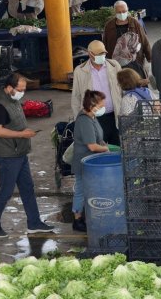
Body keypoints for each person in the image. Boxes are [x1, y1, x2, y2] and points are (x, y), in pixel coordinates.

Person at [0, 74, 55, 238]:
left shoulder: (12, 99)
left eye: (24, 89)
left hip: (20, 152)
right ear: (9, 88)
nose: (22, 93)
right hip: (9, 155)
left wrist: (24, 135)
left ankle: (34, 223)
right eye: (20, 89)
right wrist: (21, 134)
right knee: (6, 191)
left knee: (27, 188)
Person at [71, 90, 110, 232]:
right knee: (81, 190)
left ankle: (87, 216)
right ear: (93, 105)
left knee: (90, 190)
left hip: (92, 163)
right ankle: (77, 219)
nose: (103, 106)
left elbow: (98, 139)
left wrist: (105, 145)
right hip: (83, 163)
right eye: (101, 104)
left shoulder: (92, 117)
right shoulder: (84, 120)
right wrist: (105, 150)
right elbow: (92, 146)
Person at [72, 40, 123, 145]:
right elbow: (76, 97)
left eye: (103, 53)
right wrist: (80, 121)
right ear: (90, 54)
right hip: (95, 119)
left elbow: (123, 89)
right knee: (99, 151)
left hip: (115, 116)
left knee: (118, 150)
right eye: (99, 54)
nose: (102, 56)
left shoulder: (114, 66)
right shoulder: (80, 71)